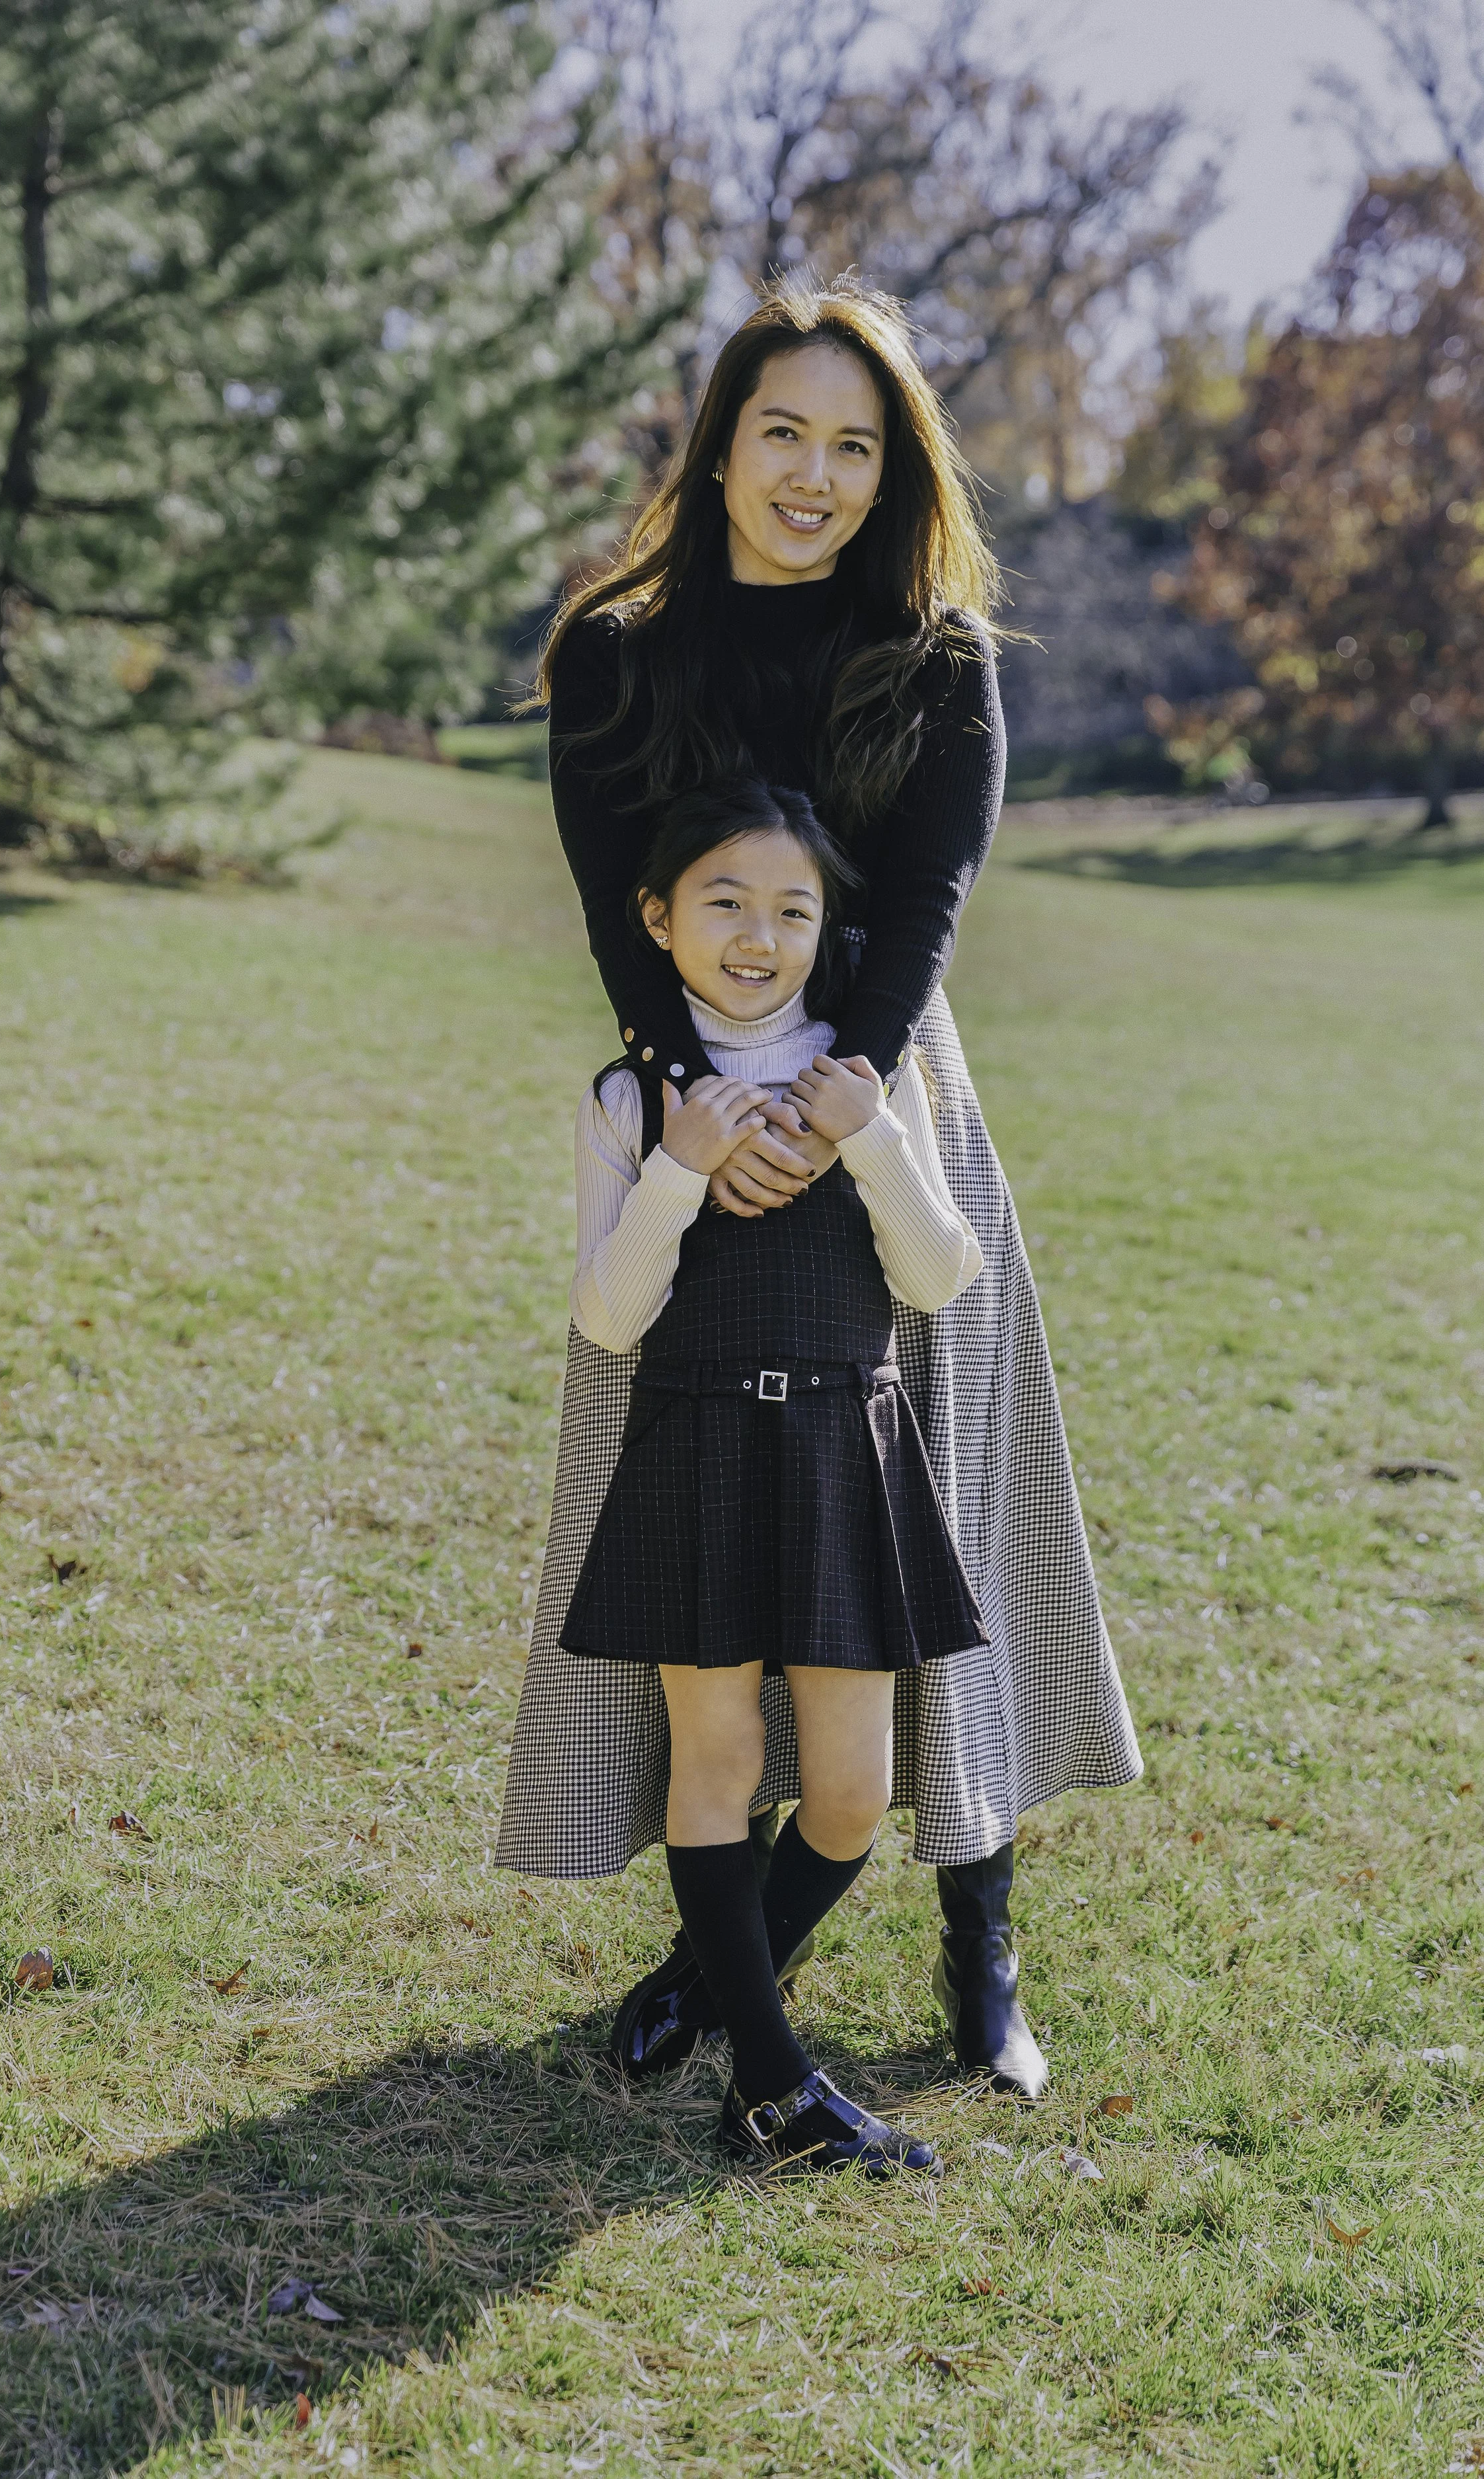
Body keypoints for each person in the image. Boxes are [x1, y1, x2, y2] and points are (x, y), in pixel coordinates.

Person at [494, 272, 1142, 2102]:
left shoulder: (941, 664)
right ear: (716, 449)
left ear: (893, 471)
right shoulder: (614, 652)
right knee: (699, 1546)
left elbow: (920, 918)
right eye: (781, 430)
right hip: (687, 1124)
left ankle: (977, 1931)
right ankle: (730, 1945)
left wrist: (832, 1104)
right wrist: (708, 1113)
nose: (814, 473)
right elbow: (613, 912)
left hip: (887, 1106)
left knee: (937, 1533)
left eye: (856, 445)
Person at [556, 777, 983, 2171]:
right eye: (722, 903)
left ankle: (700, 1979)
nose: (756, 936)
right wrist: (677, 1174)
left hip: (836, 1449)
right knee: (719, 1764)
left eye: (790, 909)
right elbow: (608, 1319)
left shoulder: (869, 1076)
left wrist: (864, 1140)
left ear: (825, 927)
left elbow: (938, 1278)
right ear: (656, 918)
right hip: (693, 1446)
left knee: (849, 1796)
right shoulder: (633, 1097)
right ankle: (768, 2082)